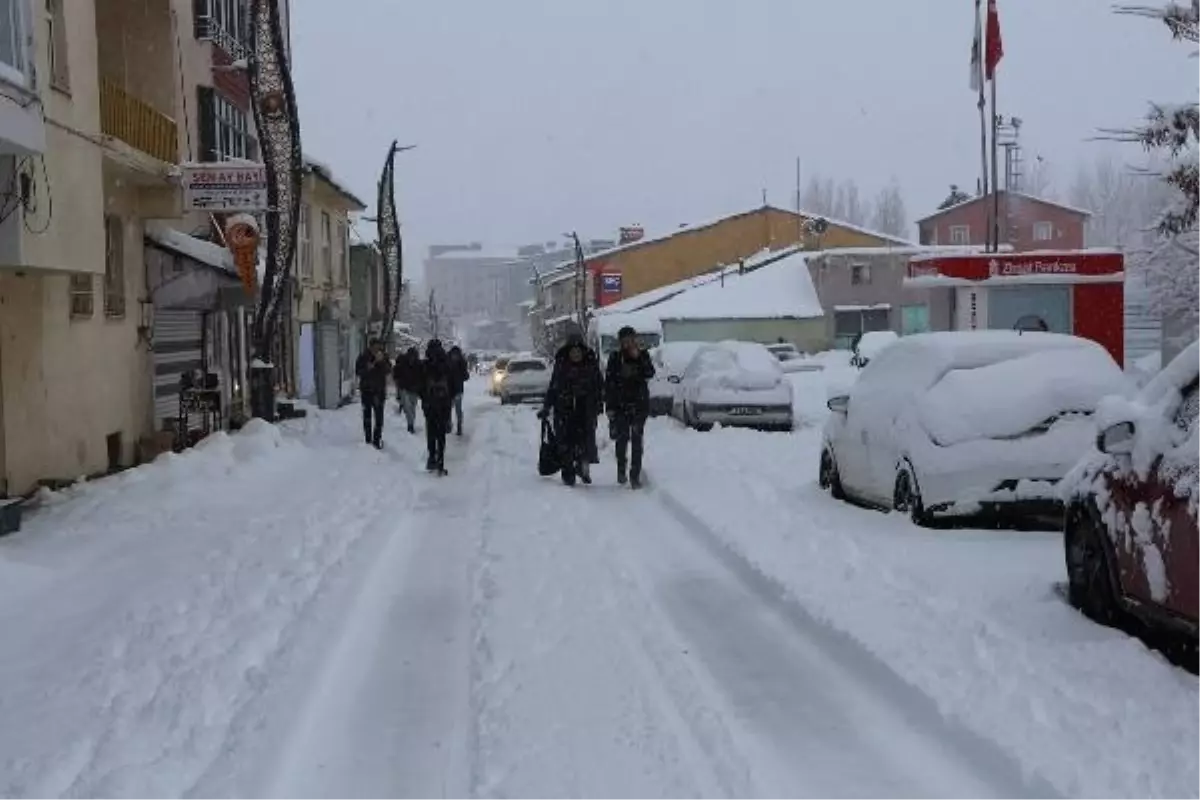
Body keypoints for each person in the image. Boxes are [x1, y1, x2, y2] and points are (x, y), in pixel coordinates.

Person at [539, 329, 603, 485]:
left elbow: (599, 386)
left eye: (578, 351)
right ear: (568, 351)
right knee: (565, 442)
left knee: (584, 441)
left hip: (585, 410)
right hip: (564, 410)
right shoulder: (562, 365)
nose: (575, 354)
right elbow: (553, 388)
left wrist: (598, 404)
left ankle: (583, 466)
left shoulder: (590, 364)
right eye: (573, 351)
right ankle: (568, 471)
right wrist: (547, 407)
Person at [605, 325, 655, 488]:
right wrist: (610, 407)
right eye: (624, 341)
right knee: (622, 439)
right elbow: (610, 383)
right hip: (621, 406)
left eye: (630, 340)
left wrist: (639, 358)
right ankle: (621, 467)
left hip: (639, 405)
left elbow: (649, 373)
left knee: (637, 440)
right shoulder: (615, 358)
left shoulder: (643, 355)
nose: (628, 343)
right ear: (620, 342)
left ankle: (635, 475)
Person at [419, 339, 453, 474]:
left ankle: (432, 457)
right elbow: (453, 382)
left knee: (431, 431)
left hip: (429, 402)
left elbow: (420, 384)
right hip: (444, 402)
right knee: (441, 432)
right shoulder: (446, 363)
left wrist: (424, 398)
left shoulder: (425, 365)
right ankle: (440, 462)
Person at [355, 338, 391, 449]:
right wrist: (367, 368)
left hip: (379, 391)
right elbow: (358, 371)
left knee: (379, 417)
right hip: (366, 390)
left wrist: (382, 362)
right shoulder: (363, 357)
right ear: (370, 347)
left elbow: (388, 370)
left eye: (378, 347)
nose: (376, 349)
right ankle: (368, 439)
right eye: (374, 347)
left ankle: (377, 439)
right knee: (367, 415)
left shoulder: (383, 356)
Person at [392, 346, 422, 434]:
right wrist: (398, 382)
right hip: (404, 387)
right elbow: (396, 372)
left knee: (412, 407)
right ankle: (410, 424)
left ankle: (411, 422)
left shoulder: (419, 364)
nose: (412, 358)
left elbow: (422, 376)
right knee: (407, 406)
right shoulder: (403, 363)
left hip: (414, 389)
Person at [447, 345, 470, 436]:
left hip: (456, 390)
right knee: (449, 409)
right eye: (454, 355)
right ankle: (450, 424)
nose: (455, 357)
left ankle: (458, 426)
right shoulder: (459, 362)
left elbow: (466, 376)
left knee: (457, 409)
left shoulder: (461, 363)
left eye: (456, 355)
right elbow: (466, 376)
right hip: (450, 389)